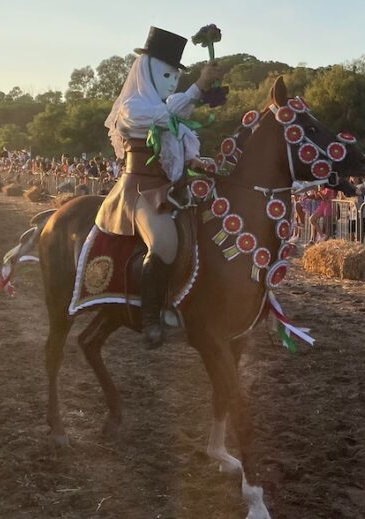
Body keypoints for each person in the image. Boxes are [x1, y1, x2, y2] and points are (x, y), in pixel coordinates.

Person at [94, 26, 225, 349]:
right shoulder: (132, 108)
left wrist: (200, 162)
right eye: (167, 74)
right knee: (165, 242)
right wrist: (198, 87)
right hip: (138, 191)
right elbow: (163, 118)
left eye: (174, 76)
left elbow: (181, 140)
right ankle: (150, 316)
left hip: (172, 191)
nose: (171, 81)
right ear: (147, 69)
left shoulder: (169, 107)